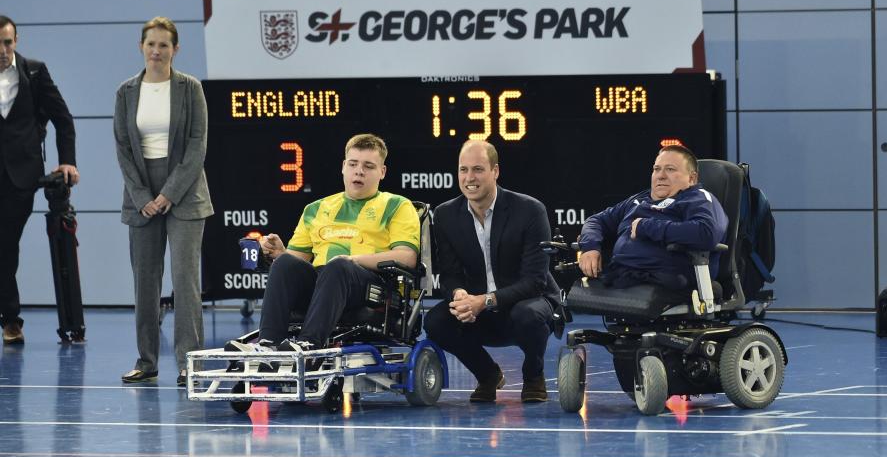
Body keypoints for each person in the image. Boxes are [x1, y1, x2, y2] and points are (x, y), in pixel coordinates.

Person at [228, 133, 420, 356]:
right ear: (343, 167)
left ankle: (309, 344)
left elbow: (407, 257)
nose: (359, 171)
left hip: (368, 285)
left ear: (382, 172)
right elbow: (296, 266)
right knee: (284, 264)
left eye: (368, 166)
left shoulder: (397, 205)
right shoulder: (316, 208)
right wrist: (280, 253)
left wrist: (352, 260)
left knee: (338, 266)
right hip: (323, 283)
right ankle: (268, 342)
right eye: (353, 164)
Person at [114, 17, 213, 386]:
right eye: (151, 44)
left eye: (164, 45)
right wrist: (144, 197)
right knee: (145, 282)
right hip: (140, 195)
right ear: (142, 47)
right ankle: (146, 360)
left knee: (185, 279)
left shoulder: (190, 89)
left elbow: (196, 146)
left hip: (185, 194)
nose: (156, 51)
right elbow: (123, 149)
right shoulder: (125, 92)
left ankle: (189, 363)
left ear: (175, 49)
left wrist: (168, 193)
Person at [424, 140, 560, 403]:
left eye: (477, 169)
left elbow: (535, 281)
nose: (469, 178)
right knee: (435, 322)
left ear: (495, 171)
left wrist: (484, 301)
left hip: (527, 303)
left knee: (528, 315)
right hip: (478, 308)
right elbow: (449, 273)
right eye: (463, 170)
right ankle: (487, 375)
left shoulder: (530, 210)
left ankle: (533, 375)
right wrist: (459, 294)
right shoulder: (445, 215)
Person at [0, 15, 80, 345]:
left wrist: (67, 161)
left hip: (20, 176)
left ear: (16, 41)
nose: (2, 49)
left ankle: (10, 319)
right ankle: (10, 316)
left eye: (7, 42)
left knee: (5, 245)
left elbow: (63, 119)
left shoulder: (34, 71)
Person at [577, 144, 728, 291]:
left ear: (691, 178)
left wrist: (646, 227)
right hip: (621, 275)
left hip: (667, 278)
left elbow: (707, 232)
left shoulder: (698, 198)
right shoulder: (638, 200)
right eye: (657, 169)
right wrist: (590, 247)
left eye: (670, 169)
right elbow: (596, 220)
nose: (661, 176)